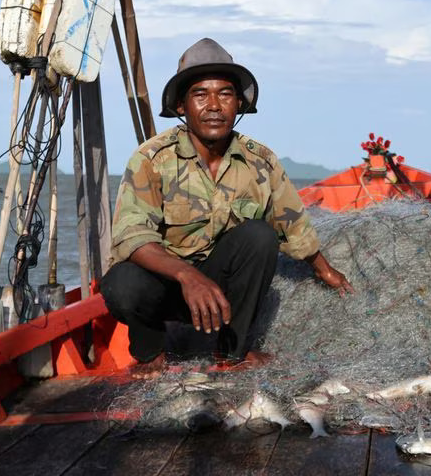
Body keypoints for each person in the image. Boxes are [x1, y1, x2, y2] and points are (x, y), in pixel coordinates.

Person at [101, 37, 354, 376]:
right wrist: (187, 275)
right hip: (168, 284)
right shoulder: (151, 159)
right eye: (200, 94)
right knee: (121, 284)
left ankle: (232, 352)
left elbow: (291, 222)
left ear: (239, 104)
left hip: (221, 290)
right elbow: (132, 236)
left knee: (260, 235)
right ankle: (150, 353)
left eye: (225, 94)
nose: (214, 106)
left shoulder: (259, 160)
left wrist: (325, 270)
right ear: (181, 106)